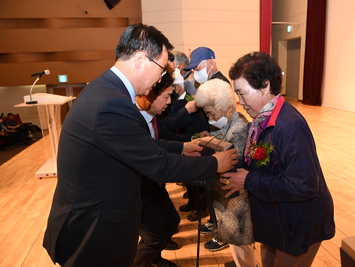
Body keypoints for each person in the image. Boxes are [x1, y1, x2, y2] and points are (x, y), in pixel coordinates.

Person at [42, 23, 238, 267]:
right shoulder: (112, 103)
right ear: (140, 59)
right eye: (161, 68)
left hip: (89, 221)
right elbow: (157, 164)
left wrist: (182, 147)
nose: (161, 78)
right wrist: (213, 164)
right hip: (93, 232)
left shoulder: (104, 90)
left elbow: (139, 145)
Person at [221, 52, 335, 267]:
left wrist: (248, 181)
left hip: (298, 224)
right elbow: (260, 164)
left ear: (265, 86)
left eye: (242, 93)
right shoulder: (261, 120)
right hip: (278, 220)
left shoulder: (289, 126)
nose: (240, 101)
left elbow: (305, 186)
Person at [195, 79, 257, 266]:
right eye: (206, 113)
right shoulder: (229, 123)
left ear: (228, 109)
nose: (209, 118)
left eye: (212, 113)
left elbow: (231, 168)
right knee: (236, 244)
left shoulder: (238, 129)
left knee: (241, 244)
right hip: (228, 197)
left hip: (235, 199)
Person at [134, 73, 191, 267]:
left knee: (171, 220)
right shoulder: (133, 120)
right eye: (166, 96)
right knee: (154, 237)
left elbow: (161, 139)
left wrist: (189, 144)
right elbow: (153, 152)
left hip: (153, 185)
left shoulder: (152, 116)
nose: (169, 101)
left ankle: (153, 258)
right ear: (149, 95)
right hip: (138, 189)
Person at [181, 46, 232, 222]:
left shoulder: (219, 84)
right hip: (210, 137)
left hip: (219, 139)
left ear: (210, 62)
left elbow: (222, 118)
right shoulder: (208, 82)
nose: (195, 71)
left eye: (197, 67)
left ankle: (217, 222)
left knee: (218, 183)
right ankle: (213, 218)